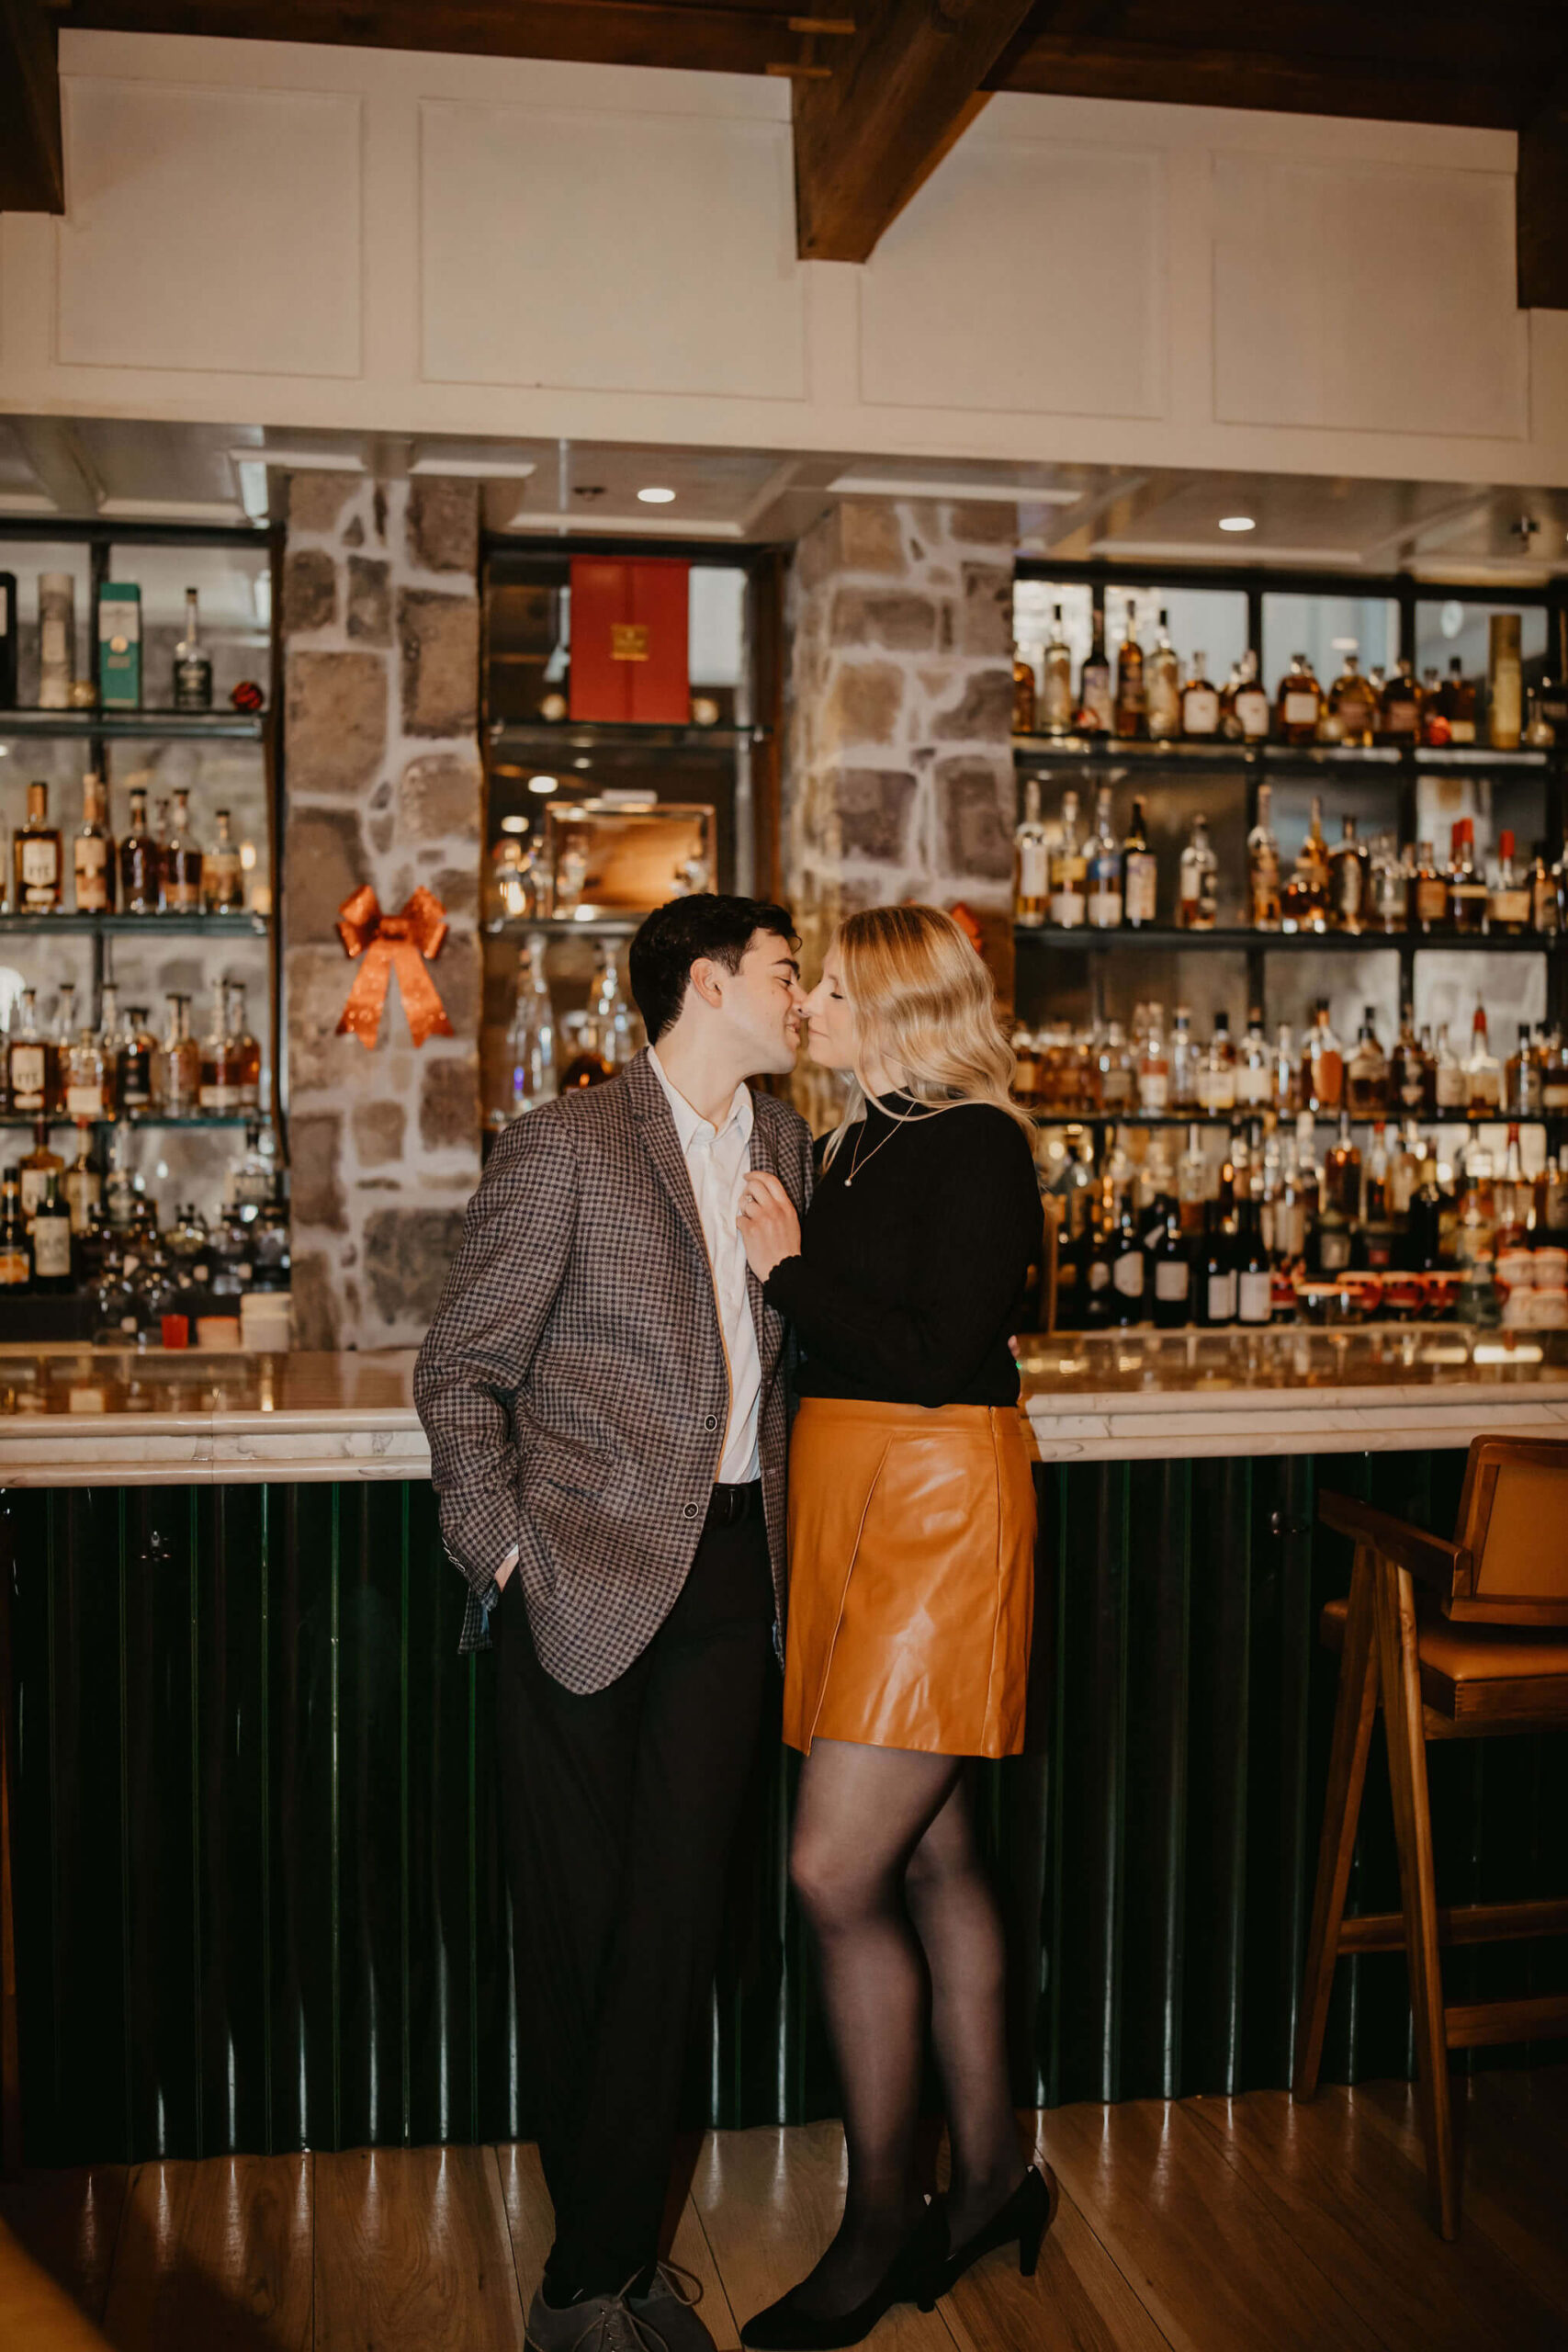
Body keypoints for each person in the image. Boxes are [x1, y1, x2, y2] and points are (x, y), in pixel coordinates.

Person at [414, 894, 813, 2352]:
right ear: (708, 985)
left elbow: (801, 1346)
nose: (800, 988)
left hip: (730, 1579)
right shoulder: (569, 1146)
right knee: (579, 1929)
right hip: (577, 1575)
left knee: (675, 1927)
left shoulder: (786, 1148)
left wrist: (800, 1273)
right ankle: (603, 2283)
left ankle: (597, 2272)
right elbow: (460, 1372)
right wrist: (507, 1553)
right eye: (783, 969)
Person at [728, 904, 1054, 2350]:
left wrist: (789, 1271)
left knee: (830, 1865)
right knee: (934, 1855)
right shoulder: (858, 1133)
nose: (808, 1010)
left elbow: (935, 1350)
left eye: (837, 992)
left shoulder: (977, 1140)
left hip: (932, 1504)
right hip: (861, 1502)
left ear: (909, 1009)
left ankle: (883, 2219)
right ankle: (991, 2179)